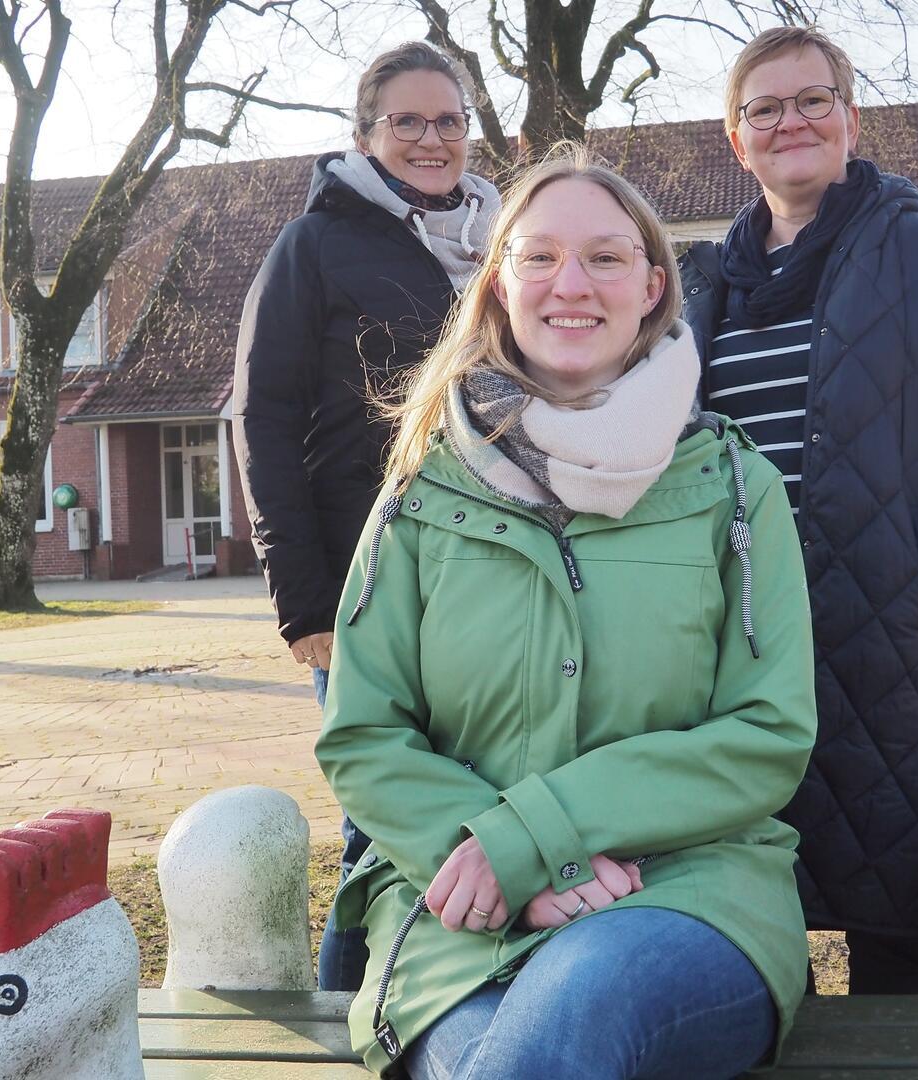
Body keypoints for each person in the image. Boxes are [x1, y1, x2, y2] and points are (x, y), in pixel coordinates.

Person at [315, 149, 818, 1079]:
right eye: (538, 257)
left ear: (653, 285)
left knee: (576, 1010)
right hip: (456, 905)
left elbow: (768, 731)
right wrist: (499, 861)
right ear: (499, 286)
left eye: (605, 258)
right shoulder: (421, 490)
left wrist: (537, 841)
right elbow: (362, 734)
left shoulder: (737, 488)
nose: (570, 285)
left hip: (690, 895)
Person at [680, 26, 918, 994]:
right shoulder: (700, 284)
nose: (790, 121)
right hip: (735, 635)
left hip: (892, 633)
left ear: (848, 116)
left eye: (812, 99)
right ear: (736, 137)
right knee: (745, 893)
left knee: (891, 910)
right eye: (765, 107)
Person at [230, 41, 500, 992]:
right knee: (379, 825)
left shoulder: (503, 246)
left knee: (474, 818)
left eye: (450, 120)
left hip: (486, 585)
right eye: (408, 121)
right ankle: (348, 1019)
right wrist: (302, 605)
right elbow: (260, 419)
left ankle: (445, 1002)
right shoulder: (315, 246)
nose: (433, 139)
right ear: (364, 135)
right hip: (364, 586)